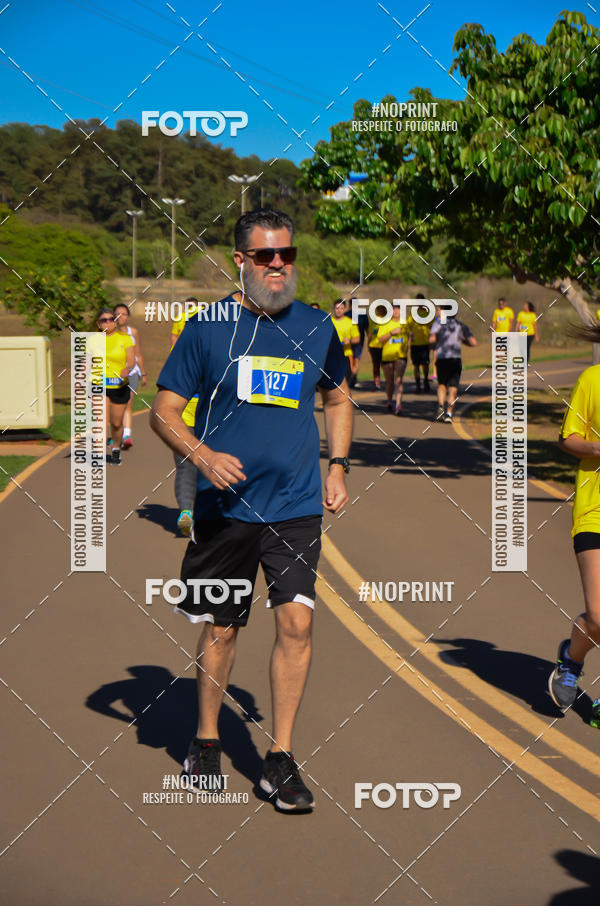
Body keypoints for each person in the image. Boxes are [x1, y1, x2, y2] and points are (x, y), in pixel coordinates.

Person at [150, 209, 352, 811]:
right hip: (224, 509)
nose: (277, 266)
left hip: (293, 507)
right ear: (240, 260)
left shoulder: (316, 327)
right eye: (264, 256)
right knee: (222, 625)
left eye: (285, 255)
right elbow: (164, 410)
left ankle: (281, 760)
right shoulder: (208, 327)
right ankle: (207, 739)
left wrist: (338, 465)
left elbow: (339, 397)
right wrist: (202, 454)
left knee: (297, 623)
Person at [549, 332, 600, 726]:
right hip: (594, 510)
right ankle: (572, 659)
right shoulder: (592, 380)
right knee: (599, 617)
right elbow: (569, 438)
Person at [170, 297, 202, 537]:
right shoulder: (219, 354)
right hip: (202, 420)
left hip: (189, 419)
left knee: (186, 467)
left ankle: (188, 512)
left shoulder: (178, 362)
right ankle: (191, 514)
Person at [93, 307, 135, 465]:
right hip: (98, 383)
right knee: (101, 419)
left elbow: (131, 360)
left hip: (119, 385)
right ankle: (99, 451)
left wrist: (128, 369)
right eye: (104, 320)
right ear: (98, 324)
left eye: (111, 319)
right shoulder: (92, 340)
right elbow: (87, 362)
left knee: (116, 423)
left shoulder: (125, 338)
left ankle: (116, 448)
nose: (109, 322)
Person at [429, 313, 477, 423]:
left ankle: (441, 407)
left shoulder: (438, 324)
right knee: (453, 388)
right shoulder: (460, 325)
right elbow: (473, 342)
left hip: (442, 358)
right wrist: (462, 340)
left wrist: (434, 345)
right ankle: (449, 414)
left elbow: (432, 340)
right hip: (455, 359)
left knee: (442, 385)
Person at [114, 303, 147, 450]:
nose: (121, 317)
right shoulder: (108, 333)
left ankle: (127, 436)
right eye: (118, 314)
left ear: (128, 317)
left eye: (124, 314)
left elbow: (138, 353)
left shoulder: (133, 332)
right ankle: (117, 433)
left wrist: (144, 373)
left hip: (132, 373)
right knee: (114, 407)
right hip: (113, 375)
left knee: (127, 403)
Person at [377, 301, 409, 415]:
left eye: (398, 309)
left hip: (401, 356)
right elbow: (380, 339)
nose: (396, 311)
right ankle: (390, 401)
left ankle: (398, 405)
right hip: (387, 356)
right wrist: (391, 333)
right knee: (389, 381)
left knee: (399, 379)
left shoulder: (406, 323)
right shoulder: (385, 323)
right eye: (394, 309)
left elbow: (412, 333)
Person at [331, 298, 360, 386]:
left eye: (341, 308)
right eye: (337, 308)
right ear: (333, 309)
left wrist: (349, 341)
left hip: (346, 354)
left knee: (346, 382)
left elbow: (357, 339)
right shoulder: (329, 321)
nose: (339, 311)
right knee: (332, 381)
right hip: (332, 355)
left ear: (345, 309)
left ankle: (346, 398)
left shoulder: (350, 323)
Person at [409, 294, 433, 393]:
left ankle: (426, 381)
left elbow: (433, 327)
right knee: (416, 365)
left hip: (425, 343)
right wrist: (410, 333)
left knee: (425, 365)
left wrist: (431, 339)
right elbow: (408, 326)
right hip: (415, 344)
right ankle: (418, 385)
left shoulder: (428, 313)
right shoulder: (412, 314)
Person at [345, 299, 368, 389]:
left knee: (352, 361)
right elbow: (367, 329)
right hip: (353, 341)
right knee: (355, 361)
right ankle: (352, 379)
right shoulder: (359, 314)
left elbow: (367, 328)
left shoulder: (348, 314)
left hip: (355, 341)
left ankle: (352, 379)